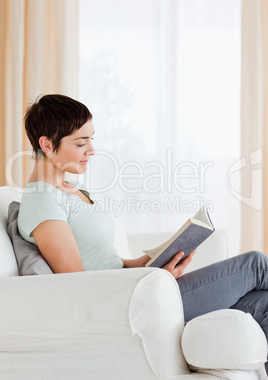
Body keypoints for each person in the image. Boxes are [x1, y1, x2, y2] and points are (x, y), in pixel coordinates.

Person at [18, 94, 268, 368]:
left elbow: (98, 261)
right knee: (256, 265)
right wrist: (150, 277)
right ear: (47, 144)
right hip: (128, 304)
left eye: (91, 139)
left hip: (136, 288)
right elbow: (78, 286)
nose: (92, 149)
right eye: (81, 142)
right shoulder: (42, 200)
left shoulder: (70, 190)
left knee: (262, 304)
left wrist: (136, 264)